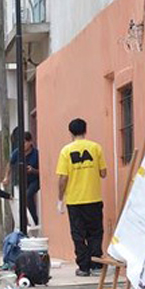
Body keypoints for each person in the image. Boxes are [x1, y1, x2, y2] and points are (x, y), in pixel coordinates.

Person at [56, 118, 107, 277]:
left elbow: (63, 178)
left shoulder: (65, 151)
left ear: (70, 132)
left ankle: (84, 267)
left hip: (74, 201)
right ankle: (96, 265)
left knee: (78, 235)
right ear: (86, 130)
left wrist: (60, 199)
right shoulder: (96, 148)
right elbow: (103, 173)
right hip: (94, 198)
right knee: (95, 232)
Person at [4, 130, 41, 226]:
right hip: (23, 180)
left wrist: (33, 170)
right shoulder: (17, 152)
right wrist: (6, 177)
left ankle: (34, 220)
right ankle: (25, 222)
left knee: (28, 195)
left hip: (35, 180)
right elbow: (10, 164)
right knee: (22, 199)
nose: (22, 145)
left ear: (30, 142)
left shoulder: (36, 154)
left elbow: (42, 171)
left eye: (24, 142)